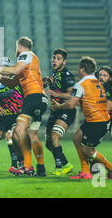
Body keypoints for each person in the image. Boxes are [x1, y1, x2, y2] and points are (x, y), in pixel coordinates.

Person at [0, 37, 47, 177]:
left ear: (19, 46)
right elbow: (11, 83)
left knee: (18, 131)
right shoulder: (26, 67)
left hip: (33, 97)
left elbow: (14, 69)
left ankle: (28, 166)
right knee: (29, 134)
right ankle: (39, 168)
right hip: (40, 99)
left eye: (16, 47)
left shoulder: (26, 55)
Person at [51, 57, 112, 180]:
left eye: (79, 68)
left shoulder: (81, 84)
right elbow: (88, 101)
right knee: (77, 138)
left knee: (87, 149)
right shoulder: (97, 82)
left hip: (98, 122)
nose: (78, 70)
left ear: (82, 69)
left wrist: (58, 107)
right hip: (96, 119)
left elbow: (71, 104)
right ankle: (85, 171)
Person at [43, 48, 76, 176]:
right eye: (54, 58)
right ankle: (66, 164)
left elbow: (72, 95)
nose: (54, 61)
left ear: (64, 62)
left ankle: (58, 168)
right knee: (48, 143)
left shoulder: (67, 75)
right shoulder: (54, 73)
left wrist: (56, 94)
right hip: (55, 110)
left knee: (55, 136)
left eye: (58, 58)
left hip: (66, 110)